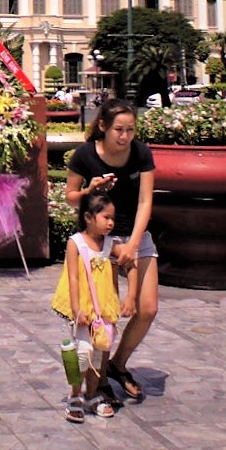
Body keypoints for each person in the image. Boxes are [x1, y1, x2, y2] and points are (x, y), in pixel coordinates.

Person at [64, 98, 156, 403]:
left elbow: (145, 201)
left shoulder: (141, 153)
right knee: (107, 313)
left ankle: (118, 364)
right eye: (119, 129)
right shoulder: (85, 156)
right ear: (103, 126)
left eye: (130, 129)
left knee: (147, 309)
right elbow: (70, 198)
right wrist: (90, 190)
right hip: (100, 242)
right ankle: (99, 381)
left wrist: (133, 243)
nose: (125, 136)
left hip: (135, 236)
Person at [50, 191, 133, 422]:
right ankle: (75, 395)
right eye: (106, 217)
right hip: (83, 310)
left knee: (99, 354)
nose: (111, 222)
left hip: (103, 310)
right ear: (88, 217)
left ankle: (93, 393)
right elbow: (73, 277)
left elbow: (131, 262)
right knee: (83, 352)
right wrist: (77, 309)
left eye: (113, 218)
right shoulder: (75, 243)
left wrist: (131, 296)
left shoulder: (110, 245)